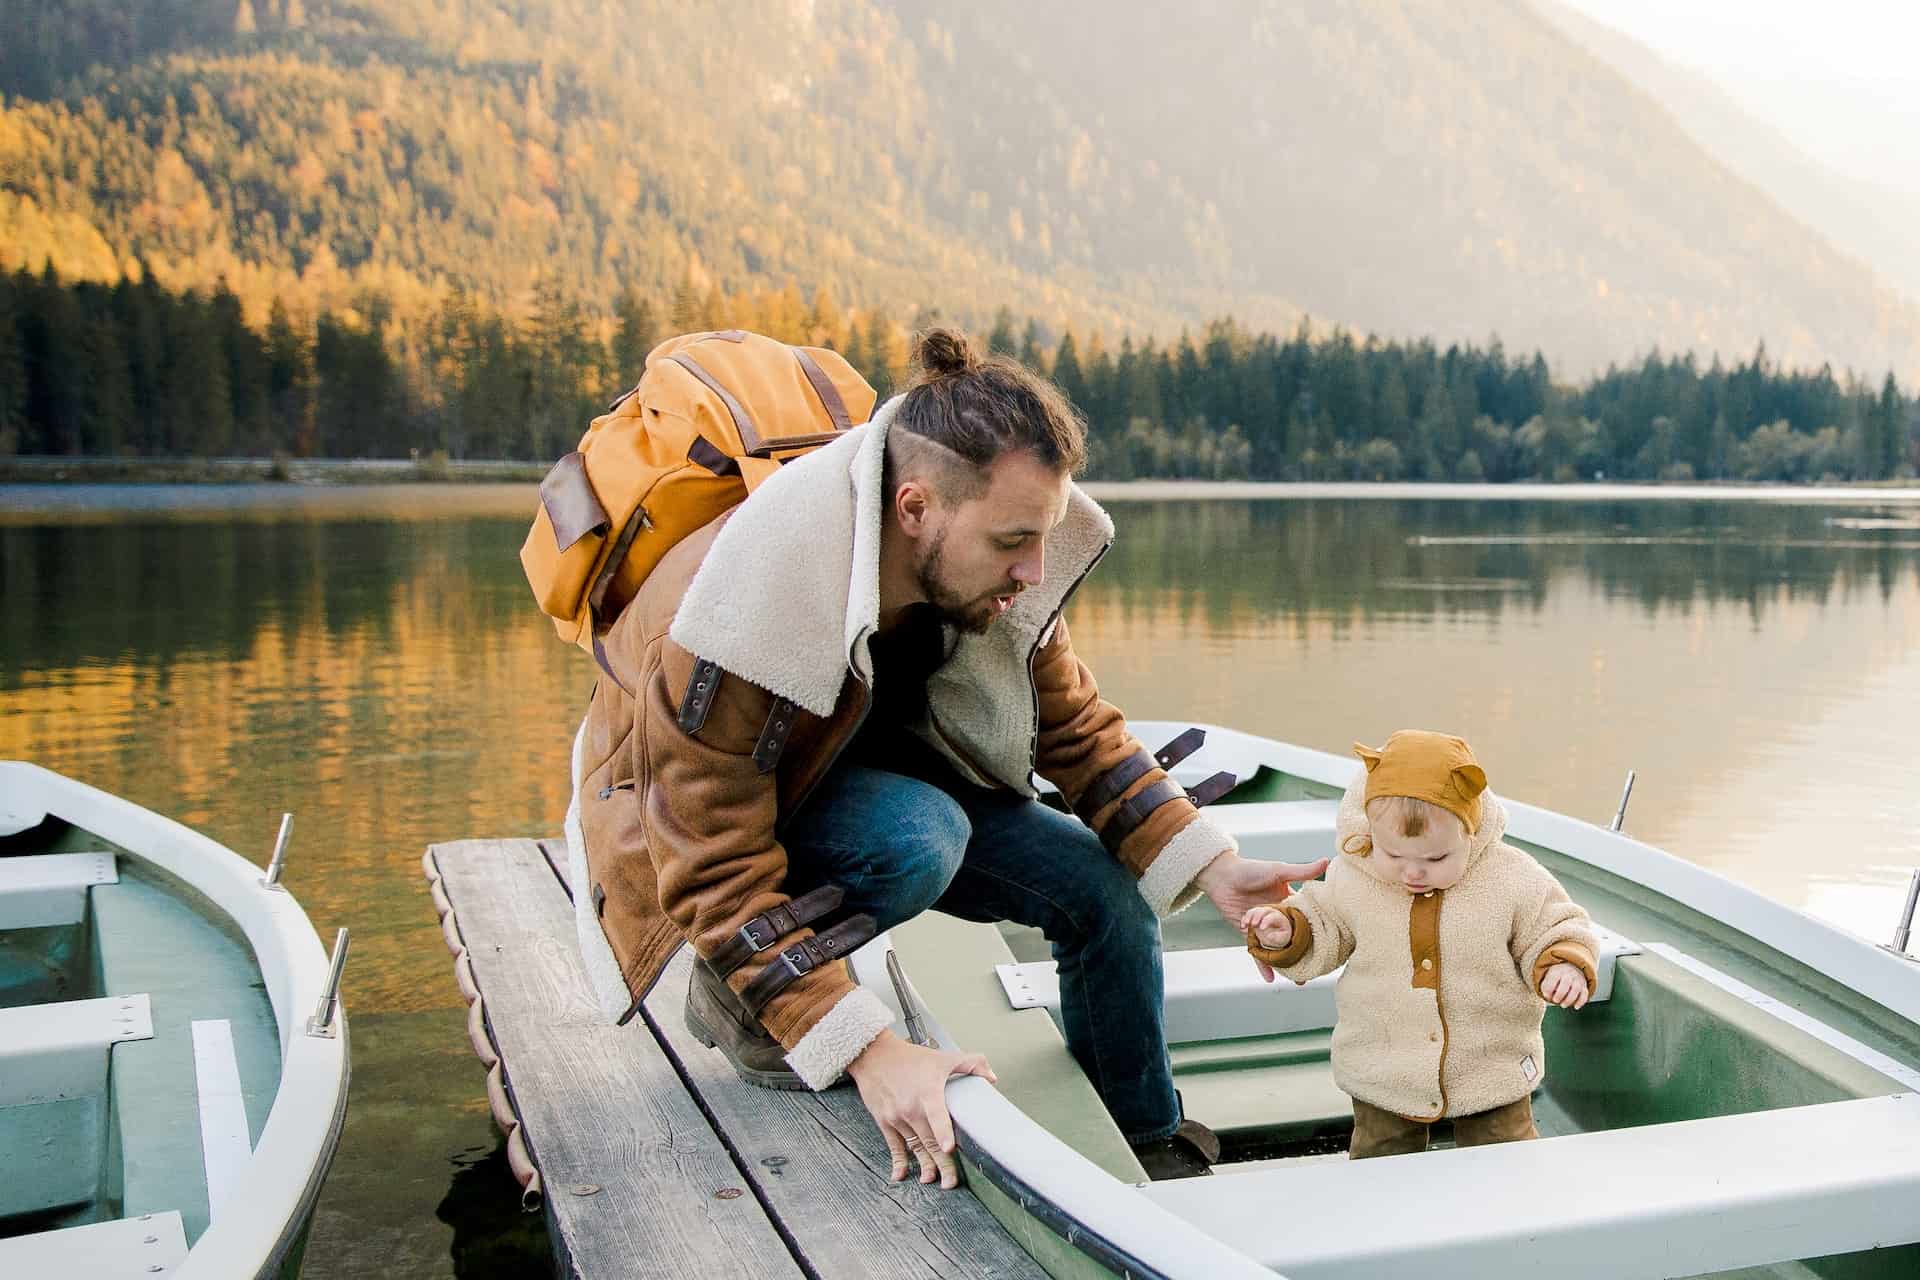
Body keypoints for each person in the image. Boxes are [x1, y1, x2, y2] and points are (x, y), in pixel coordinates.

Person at [566, 327, 1328, 1187]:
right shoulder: (726, 615)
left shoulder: (995, 567)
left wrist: (1211, 865)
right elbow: (708, 860)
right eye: (1012, 542)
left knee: (1106, 892)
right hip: (711, 823)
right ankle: (740, 1001)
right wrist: (868, 1048)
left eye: (1040, 537)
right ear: (916, 508)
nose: (1035, 569)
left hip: (874, 773)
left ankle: (1144, 1143)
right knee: (917, 837)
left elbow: (1074, 729)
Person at [1242, 730, 1596, 1159]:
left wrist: (1562, 964)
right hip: (1384, 1059)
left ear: (1472, 832)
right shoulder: (1354, 876)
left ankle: (1511, 1207)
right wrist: (1285, 931)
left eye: (1435, 860)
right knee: (1381, 1153)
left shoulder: (1511, 877)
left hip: (1491, 1060)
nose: (1413, 873)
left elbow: (1555, 924)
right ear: (1370, 831)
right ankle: (1385, 1210)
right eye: (1394, 855)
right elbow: (1323, 924)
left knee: (1504, 1153)